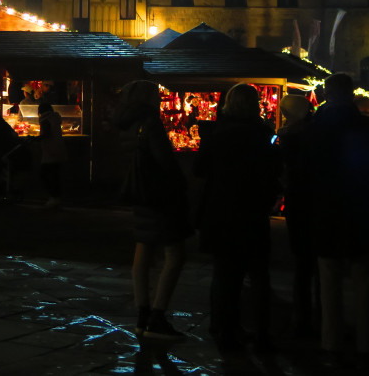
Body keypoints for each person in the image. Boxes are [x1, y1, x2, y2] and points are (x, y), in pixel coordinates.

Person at [303, 73, 369, 369]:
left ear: (327, 95)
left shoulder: (314, 129)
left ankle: (331, 344)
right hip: (361, 212)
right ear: (352, 94)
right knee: (364, 283)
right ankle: (364, 344)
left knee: (329, 280)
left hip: (326, 212)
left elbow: (305, 173)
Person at [195, 83, 280, 351]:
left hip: (222, 211)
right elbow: (274, 170)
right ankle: (261, 330)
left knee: (225, 274)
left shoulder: (217, 134)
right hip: (252, 211)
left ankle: (224, 327)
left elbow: (199, 169)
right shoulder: (263, 134)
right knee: (258, 275)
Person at [116, 79, 192, 340]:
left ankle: (142, 314)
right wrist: (183, 186)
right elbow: (165, 163)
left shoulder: (126, 122)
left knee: (143, 250)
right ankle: (157, 316)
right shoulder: (151, 123)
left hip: (139, 193)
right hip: (160, 196)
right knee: (175, 254)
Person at [276, 92, 316, 338]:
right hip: (312, 200)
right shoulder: (314, 134)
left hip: (299, 201)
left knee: (303, 261)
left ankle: (301, 315)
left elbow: (285, 169)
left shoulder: (291, 138)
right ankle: (309, 312)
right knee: (310, 262)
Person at [37, 101, 67, 209]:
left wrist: (35, 138)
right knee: (55, 175)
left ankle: (53, 197)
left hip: (50, 151)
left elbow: (46, 134)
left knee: (45, 174)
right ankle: (56, 198)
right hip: (58, 149)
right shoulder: (55, 118)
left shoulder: (45, 120)